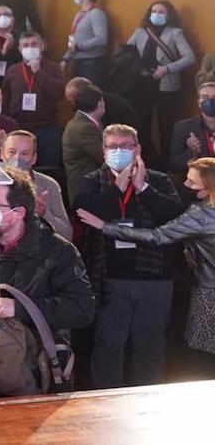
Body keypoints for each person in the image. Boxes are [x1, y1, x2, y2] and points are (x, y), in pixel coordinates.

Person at [77, 157, 215, 375]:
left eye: (191, 183)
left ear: (207, 189)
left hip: (209, 293)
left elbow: (157, 236)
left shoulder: (202, 215)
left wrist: (106, 226)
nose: (185, 186)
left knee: (204, 357)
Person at [73, 124, 186, 389]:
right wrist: (116, 189)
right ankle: (106, 402)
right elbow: (84, 214)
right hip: (108, 278)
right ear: (103, 151)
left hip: (154, 279)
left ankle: (147, 402)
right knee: (108, 346)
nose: (119, 151)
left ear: (137, 149)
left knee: (150, 346)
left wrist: (142, 188)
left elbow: (175, 217)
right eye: (113, 146)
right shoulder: (91, 180)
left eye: (125, 146)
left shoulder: (157, 179)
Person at [0, 167, 92, 395]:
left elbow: (82, 309)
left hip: (35, 372)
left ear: (18, 212)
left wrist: (21, 308)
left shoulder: (58, 251)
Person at [124, 0, 195, 161]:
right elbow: (127, 54)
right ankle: (145, 160)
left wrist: (167, 69)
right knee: (142, 123)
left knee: (166, 125)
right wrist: (138, 70)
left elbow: (190, 57)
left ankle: (167, 161)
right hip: (143, 84)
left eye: (161, 11)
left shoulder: (175, 33)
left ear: (169, 15)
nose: (156, 14)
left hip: (166, 84)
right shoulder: (140, 31)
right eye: (154, 11)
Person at [1, 32, 65, 170]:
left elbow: (59, 93)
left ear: (42, 47)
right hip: (19, 127)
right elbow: (5, 100)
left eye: (34, 44)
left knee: (49, 169)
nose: (30, 48)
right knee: (18, 170)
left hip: (47, 128)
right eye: (26, 45)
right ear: (19, 49)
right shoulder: (12, 70)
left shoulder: (54, 68)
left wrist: (39, 73)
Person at [1, 130, 73, 239]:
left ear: (34, 158)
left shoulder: (49, 185)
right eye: (12, 152)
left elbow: (67, 234)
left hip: (38, 252)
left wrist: (44, 214)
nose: (17, 158)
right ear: (2, 154)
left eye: (24, 153)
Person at [63, 84, 107, 204]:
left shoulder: (90, 122)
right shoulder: (84, 128)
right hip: (85, 191)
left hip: (93, 186)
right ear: (99, 103)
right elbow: (105, 158)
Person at [64, 0, 109, 86]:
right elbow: (74, 39)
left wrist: (79, 46)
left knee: (88, 96)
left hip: (92, 64)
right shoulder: (80, 14)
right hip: (78, 61)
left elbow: (102, 39)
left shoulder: (96, 14)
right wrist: (66, 58)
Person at [169, 81, 215, 173]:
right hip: (197, 182)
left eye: (214, 97)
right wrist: (192, 152)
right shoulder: (183, 127)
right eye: (205, 97)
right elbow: (174, 167)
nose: (210, 101)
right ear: (199, 103)